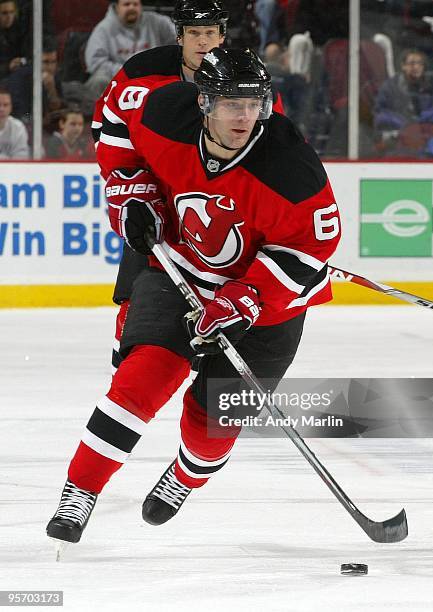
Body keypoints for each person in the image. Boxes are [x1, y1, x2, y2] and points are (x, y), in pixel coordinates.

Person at [46, 47, 340, 545]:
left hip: (267, 310)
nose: (244, 116)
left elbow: (311, 249)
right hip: (182, 270)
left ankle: (185, 475)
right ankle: (80, 490)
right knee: (139, 382)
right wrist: (131, 191)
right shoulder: (164, 113)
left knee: (211, 428)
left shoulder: (291, 168)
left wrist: (244, 299)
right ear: (203, 102)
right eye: (231, 104)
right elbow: (115, 125)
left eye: (254, 104)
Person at [91, 0, 283, 375]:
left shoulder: (243, 75)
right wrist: (133, 189)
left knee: (221, 281)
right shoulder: (141, 71)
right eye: (194, 33)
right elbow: (107, 130)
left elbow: (272, 143)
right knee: (143, 277)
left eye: (210, 33)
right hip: (157, 198)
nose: (202, 42)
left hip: (215, 201)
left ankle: (211, 359)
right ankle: (130, 360)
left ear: (222, 36)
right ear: (179, 36)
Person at [82, 0, 176, 113]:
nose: (131, 8)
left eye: (135, 4)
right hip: (119, 78)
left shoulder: (158, 22)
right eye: (126, 4)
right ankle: (100, 118)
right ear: (116, 7)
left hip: (155, 76)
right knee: (98, 80)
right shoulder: (103, 29)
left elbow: (179, 43)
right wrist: (128, 71)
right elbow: (95, 62)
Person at [0, 86, 28, 158]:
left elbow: (22, 156)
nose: (1, 109)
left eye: (5, 105)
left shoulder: (18, 127)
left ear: (11, 107)